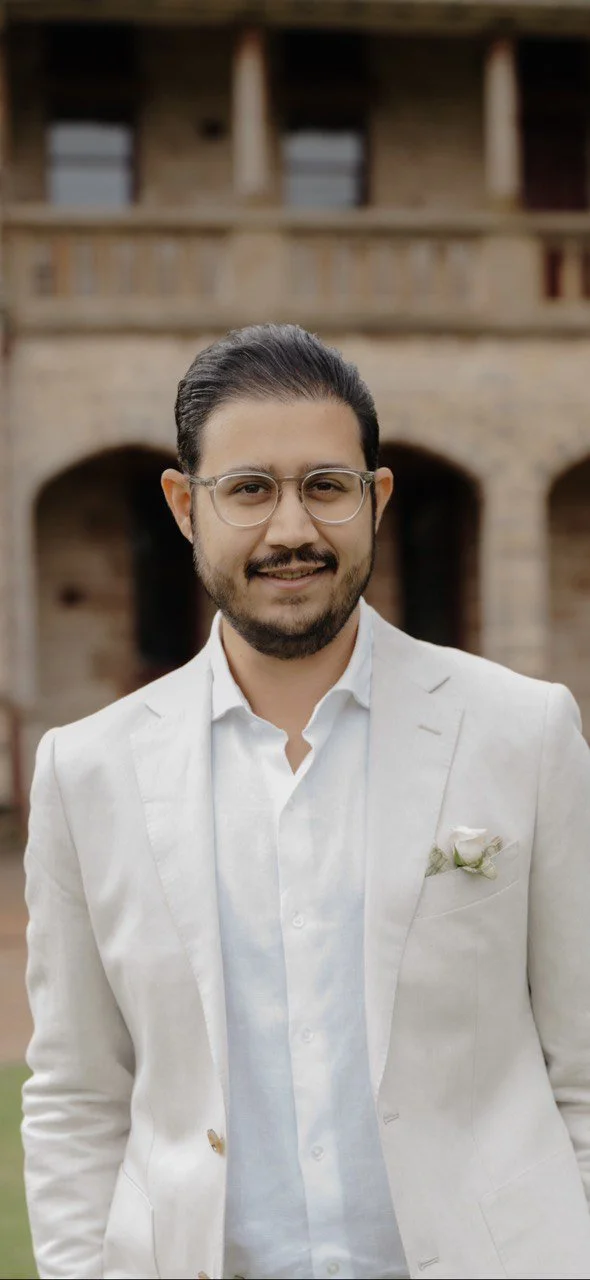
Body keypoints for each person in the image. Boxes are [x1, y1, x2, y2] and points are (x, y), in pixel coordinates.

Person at [22, 323, 590, 1280]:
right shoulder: (88, 771)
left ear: (376, 500)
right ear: (185, 505)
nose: (292, 531)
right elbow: (78, 1096)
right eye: (249, 490)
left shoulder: (523, 732)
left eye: (326, 487)